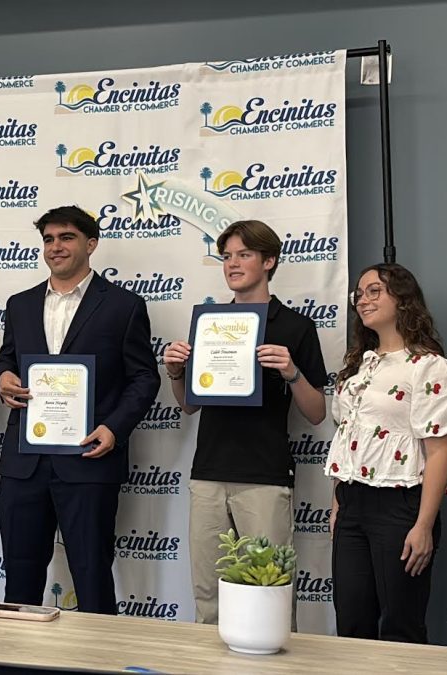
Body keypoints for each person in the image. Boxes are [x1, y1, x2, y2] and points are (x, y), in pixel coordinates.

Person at [0, 205, 160, 614]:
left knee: (91, 574)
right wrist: (3, 379)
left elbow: (144, 378)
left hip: (88, 457)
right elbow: (6, 359)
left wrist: (114, 428)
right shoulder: (20, 304)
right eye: (48, 239)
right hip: (25, 461)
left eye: (66, 238)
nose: (55, 247)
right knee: (19, 574)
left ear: (91, 243)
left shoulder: (124, 305)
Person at [162, 219, 328, 625]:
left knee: (268, 594)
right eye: (227, 256)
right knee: (208, 595)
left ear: (269, 261)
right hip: (208, 474)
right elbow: (188, 406)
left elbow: (317, 411)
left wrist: (292, 373)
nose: (232, 264)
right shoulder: (210, 323)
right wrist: (175, 373)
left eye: (244, 255)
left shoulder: (295, 327)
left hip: (265, 477)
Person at [326, 263, 447, 643]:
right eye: (359, 293)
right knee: (352, 622)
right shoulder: (358, 365)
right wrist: (339, 505)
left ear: (403, 299)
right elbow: (349, 437)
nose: (363, 300)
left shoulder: (432, 368)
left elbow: (438, 452)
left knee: (400, 625)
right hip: (352, 504)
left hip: (401, 507)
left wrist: (423, 525)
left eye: (375, 291)